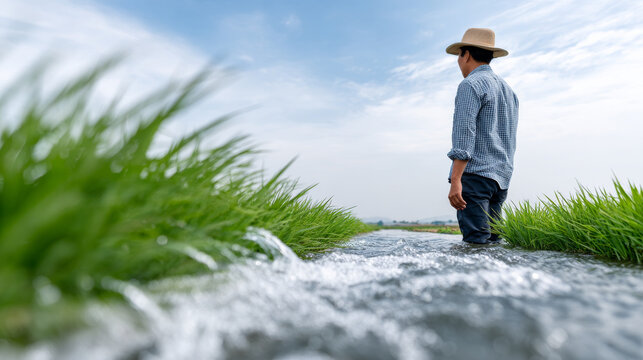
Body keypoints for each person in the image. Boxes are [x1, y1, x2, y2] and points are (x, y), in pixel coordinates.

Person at [444, 28, 519, 244]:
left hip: (475, 176)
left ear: (466, 54)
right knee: (494, 242)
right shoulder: (509, 91)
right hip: (501, 179)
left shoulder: (470, 84)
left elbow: (464, 133)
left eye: (459, 55)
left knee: (476, 243)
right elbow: (509, 138)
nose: (458, 61)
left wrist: (456, 180)